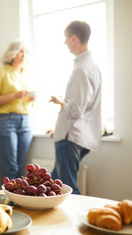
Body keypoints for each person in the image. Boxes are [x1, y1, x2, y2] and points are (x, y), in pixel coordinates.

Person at [49, 20, 101, 194]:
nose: (65, 43)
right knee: (52, 184)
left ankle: (77, 221)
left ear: (73, 38)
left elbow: (76, 110)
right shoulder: (91, 66)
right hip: (74, 135)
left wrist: (60, 102)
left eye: (66, 38)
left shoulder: (81, 69)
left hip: (70, 137)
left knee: (67, 189)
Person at [0, 40, 35, 181]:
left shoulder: (26, 74)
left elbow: (25, 102)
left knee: (20, 168)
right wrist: (14, 95)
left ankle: (17, 201)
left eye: (26, 52)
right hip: (6, 122)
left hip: (25, 122)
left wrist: (30, 100)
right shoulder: (0, 73)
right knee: (11, 169)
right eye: (21, 51)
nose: (24, 55)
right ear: (12, 53)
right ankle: (9, 203)